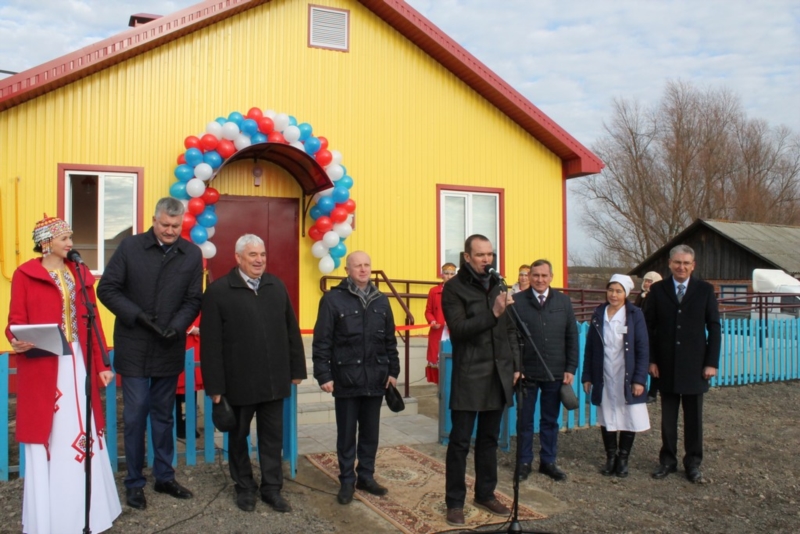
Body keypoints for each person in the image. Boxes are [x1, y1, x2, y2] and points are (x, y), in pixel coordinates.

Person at [6, 215, 121, 533]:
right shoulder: (25, 275)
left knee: (83, 427)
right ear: (46, 243)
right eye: (65, 238)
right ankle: (54, 514)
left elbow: (93, 321)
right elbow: (15, 319)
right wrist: (15, 339)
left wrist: (101, 365)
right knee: (53, 431)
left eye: (70, 237)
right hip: (44, 364)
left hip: (79, 361)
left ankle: (91, 511)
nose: (71, 243)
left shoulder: (79, 273)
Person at [97, 197, 203, 510]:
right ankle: (133, 482)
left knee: (163, 415)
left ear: (182, 222)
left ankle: (164, 476)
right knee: (135, 414)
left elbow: (193, 298)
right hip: (133, 345)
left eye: (175, 225)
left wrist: (178, 325)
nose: (170, 230)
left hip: (168, 345)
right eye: (164, 225)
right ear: (154, 220)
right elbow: (107, 289)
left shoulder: (191, 253)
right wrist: (138, 316)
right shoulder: (130, 247)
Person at [201, 234, 307, 513]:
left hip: (274, 381)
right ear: (238, 258)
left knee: (272, 439)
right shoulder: (219, 291)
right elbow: (210, 344)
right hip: (238, 383)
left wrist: (297, 369)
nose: (259, 260)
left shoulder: (276, 286)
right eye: (252, 255)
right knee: (238, 439)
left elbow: (291, 330)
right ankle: (244, 487)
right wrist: (215, 386)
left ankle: (272, 489)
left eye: (262, 254)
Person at [441, 235, 520, 528]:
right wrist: (493, 312)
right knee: (460, 442)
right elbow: (459, 329)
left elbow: (510, 330)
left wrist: (515, 365)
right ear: (467, 257)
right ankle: (454, 502)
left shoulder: (498, 284)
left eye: (490, 254)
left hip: (499, 373)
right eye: (480, 255)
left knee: (489, 440)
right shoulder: (454, 288)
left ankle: (485, 493)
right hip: (470, 373)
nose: (487, 259)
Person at [312, 251, 400, 506]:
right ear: (347, 270)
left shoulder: (381, 301)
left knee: (371, 433)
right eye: (357, 266)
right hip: (346, 377)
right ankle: (347, 481)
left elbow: (389, 341)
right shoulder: (332, 300)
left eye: (366, 265)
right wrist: (323, 374)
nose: (363, 270)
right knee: (347, 434)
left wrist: (393, 371)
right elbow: (322, 341)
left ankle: (366, 477)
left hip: (376, 378)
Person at [645, 244, 720, 483]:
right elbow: (648, 327)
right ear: (669, 264)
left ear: (693, 265)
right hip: (664, 365)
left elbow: (714, 327)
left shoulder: (705, 290)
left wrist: (711, 362)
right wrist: (651, 359)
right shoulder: (658, 290)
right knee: (668, 418)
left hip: (695, 366)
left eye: (686, 263)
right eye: (677, 262)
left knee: (693, 418)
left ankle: (693, 463)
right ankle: (667, 460)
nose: (681, 267)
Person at [511, 259, 578, 482]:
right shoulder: (517, 301)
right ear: (529, 277)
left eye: (544, 276)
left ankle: (548, 461)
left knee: (550, 419)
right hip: (526, 373)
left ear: (551, 277)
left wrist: (571, 367)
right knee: (525, 420)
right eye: (535, 275)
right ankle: (524, 461)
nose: (540, 280)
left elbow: (572, 336)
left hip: (555, 372)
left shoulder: (563, 301)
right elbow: (510, 337)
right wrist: (516, 367)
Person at [582, 274, 650, 478]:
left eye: (618, 291)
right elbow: (591, 348)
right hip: (604, 373)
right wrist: (588, 375)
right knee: (608, 416)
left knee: (628, 415)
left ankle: (623, 458)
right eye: (611, 290)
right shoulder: (598, 313)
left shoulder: (634, 314)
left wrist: (639, 379)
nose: (613, 294)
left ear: (626, 294)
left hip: (625, 373)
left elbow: (642, 348)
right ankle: (610, 456)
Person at [424, 262, 456, 384]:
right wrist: (432, 320)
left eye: (452, 274)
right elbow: (428, 311)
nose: (449, 276)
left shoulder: (460, 291)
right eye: (447, 273)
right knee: (437, 360)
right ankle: (441, 389)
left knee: (453, 360)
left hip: (453, 331)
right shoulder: (434, 291)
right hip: (438, 331)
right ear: (442, 275)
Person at [634, 271, 663, 403]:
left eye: (650, 281)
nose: (646, 283)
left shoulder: (657, 296)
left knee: (654, 363)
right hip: (640, 332)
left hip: (653, 333)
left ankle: (653, 391)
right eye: (645, 280)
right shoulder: (641, 296)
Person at [176, 315, 202, 440]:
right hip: (179, 342)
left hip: (194, 345)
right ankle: (178, 426)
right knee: (174, 392)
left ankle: (189, 426)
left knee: (192, 389)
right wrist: (191, 329)